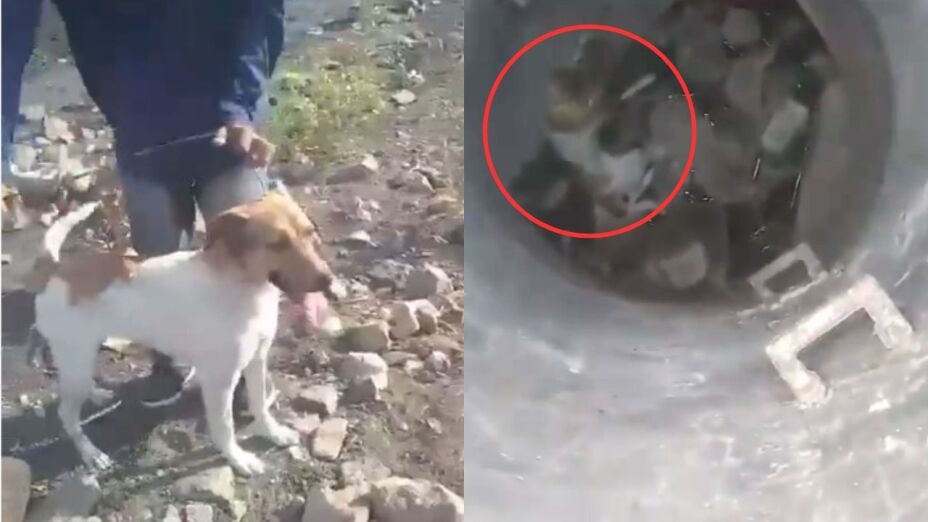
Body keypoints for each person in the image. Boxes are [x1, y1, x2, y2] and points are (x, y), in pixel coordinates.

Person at [3, 0, 286, 407]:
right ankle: (169, 361)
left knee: (245, 261)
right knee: (157, 265)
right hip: (142, 133)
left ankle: (241, 371)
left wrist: (240, 104)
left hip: (228, 126)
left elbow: (258, 16)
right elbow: (7, 35)